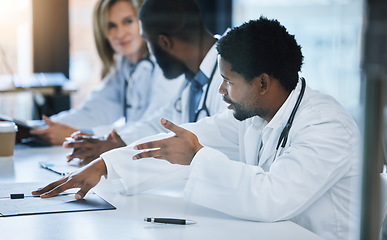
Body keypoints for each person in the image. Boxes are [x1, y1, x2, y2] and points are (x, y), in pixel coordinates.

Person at [32, 16, 361, 240]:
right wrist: (106, 166)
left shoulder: (326, 126)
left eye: (228, 82)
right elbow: (186, 141)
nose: (220, 92)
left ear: (262, 82)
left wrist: (197, 157)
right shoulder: (256, 116)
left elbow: (271, 198)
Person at [62, 0, 227, 164]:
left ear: (164, 42)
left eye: (148, 43)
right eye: (111, 26)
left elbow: (209, 148)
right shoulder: (192, 79)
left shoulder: (229, 80)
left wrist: (113, 159)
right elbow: (161, 123)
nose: (150, 54)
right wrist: (117, 143)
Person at [30, 0, 184, 146]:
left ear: (143, 22)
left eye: (128, 21)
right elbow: (94, 111)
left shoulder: (165, 65)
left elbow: (156, 126)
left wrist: (81, 134)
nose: (120, 34)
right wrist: (42, 126)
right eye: (111, 26)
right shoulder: (123, 65)